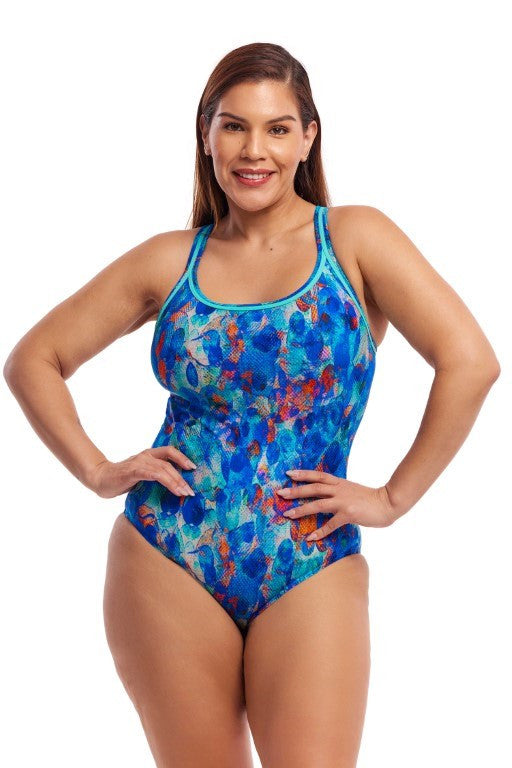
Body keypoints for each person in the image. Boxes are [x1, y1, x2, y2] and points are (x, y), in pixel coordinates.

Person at [3, 41, 500, 768]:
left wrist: (392, 498)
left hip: (310, 554)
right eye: (233, 126)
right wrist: (98, 470)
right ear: (206, 136)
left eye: (276, 128)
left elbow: (471, 362)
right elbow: (34, 360)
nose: (253, 150)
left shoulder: (355, 239)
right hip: (167, 552)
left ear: (308, 138)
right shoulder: (170, 259)